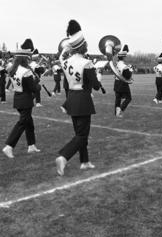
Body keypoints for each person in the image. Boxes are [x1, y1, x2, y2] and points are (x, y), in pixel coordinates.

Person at [55, 20, 100, 176]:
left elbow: (61, 58)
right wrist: (97, 78)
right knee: (82, 135)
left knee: (79, 133)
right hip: (82, 99)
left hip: (72, 98)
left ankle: (84, 162)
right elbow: (95, 85)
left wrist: (66, 48)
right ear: (83, 46)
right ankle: (64, 156)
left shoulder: (65, 62)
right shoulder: (86, 63)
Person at [2, 38, 40, 158]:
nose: (29, 59)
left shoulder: (13, 69)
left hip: (18, 97)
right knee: (22, 123)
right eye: (28, 57)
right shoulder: (26, 71)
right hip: (25, 99)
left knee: (29, 123)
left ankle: (31, 145)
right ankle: (9, 146)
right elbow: (33, 88)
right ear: (24, 58)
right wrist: (37, 83)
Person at [113, 45, 133, 118]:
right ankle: (120, 109)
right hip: (122, 83)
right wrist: (130, 70)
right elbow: (127, 76)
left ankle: (116, 113)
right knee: (128, 98)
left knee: (117, 99)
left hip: (116, 82)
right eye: (125, 56)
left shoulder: (117, 64)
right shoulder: (123, 66)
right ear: (123, 57)